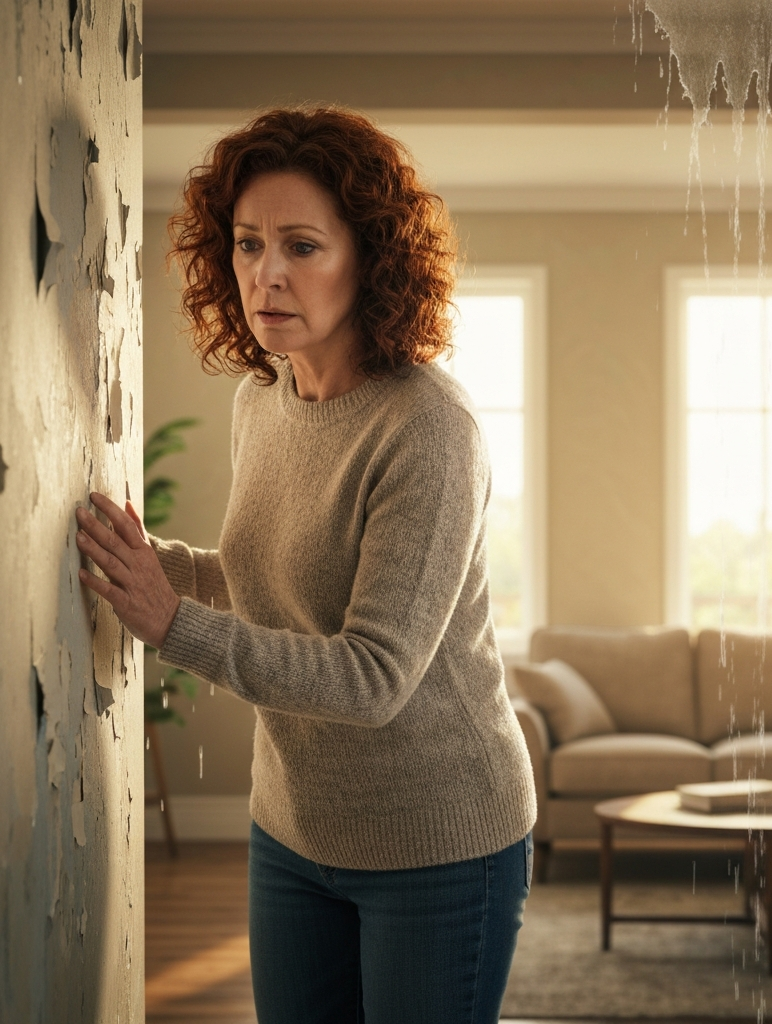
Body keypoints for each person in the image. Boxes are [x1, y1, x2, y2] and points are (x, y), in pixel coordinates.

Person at [74, 106, 536, 1024]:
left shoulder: (429, 430)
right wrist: (144, 563)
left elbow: (373, 675)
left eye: (301, 245)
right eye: (248, 245)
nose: (265, 273)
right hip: (292, 829)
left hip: (439, 842)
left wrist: (172, 624)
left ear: (371, 259)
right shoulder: (264, 399)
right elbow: (265, 576)